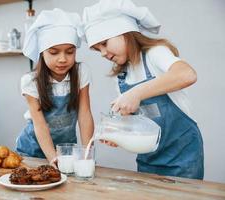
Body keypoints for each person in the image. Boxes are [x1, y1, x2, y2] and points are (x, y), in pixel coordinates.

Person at [82, 0, 204, 179]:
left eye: (105, 43)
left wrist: (136, 93)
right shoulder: (121, 77)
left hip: (182, 157)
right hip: (148, 160)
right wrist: (118, 132)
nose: (102, 53)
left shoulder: (155, 54)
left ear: (125, 32)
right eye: (97, 49)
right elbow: (135, 122)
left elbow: (187, 75)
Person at [16, 8, 94, 166]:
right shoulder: (31, 81)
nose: (62, 59)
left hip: (66, 150)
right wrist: (53, 157)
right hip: (33, 150)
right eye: (54, 52)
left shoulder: (81, 72)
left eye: (70, 52)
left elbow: (84, 114)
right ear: (42, 53)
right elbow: (40, 124)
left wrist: (87, 153)